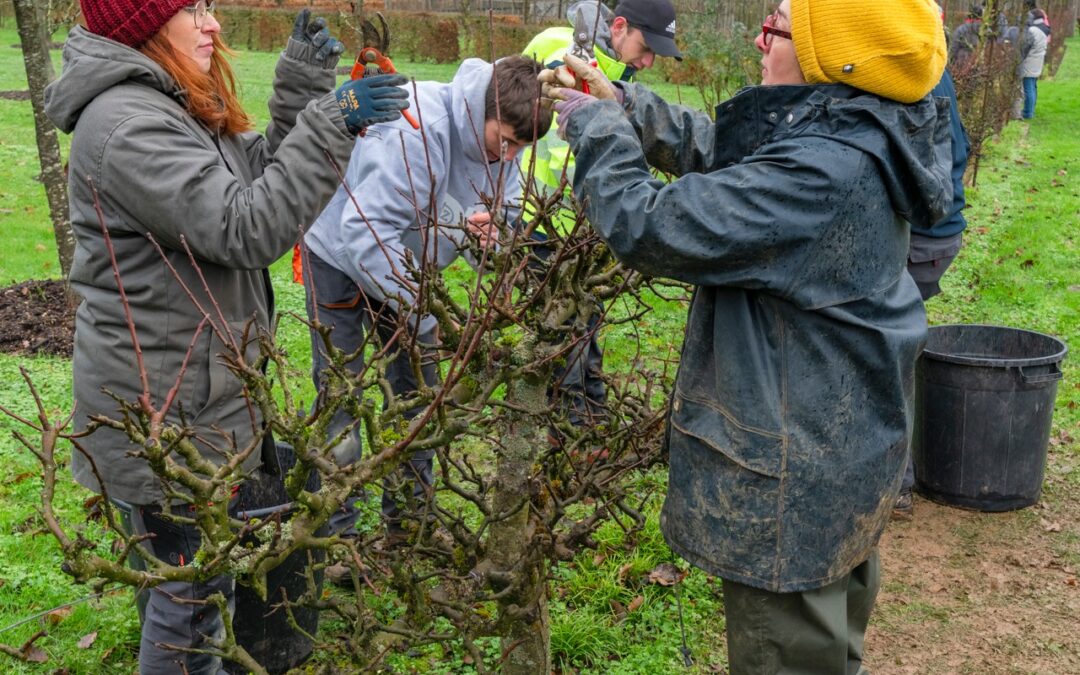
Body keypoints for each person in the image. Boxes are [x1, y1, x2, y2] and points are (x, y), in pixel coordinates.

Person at [543, 0, 950, 669]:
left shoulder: (824, 174)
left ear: (832, 56)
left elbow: (652, 224)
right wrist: (623, 101)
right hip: (840, 455)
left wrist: (597, 128)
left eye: (780, 27)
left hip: (797, 488)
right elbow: (729, 150)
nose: (762, 39)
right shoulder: (861, 127)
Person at [44, 1, 408, 671]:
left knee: (196, 593)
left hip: (196, 396)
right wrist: (336, 118)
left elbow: (262, 173)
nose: (212, 24)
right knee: (189, 607)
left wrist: (302, 84)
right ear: (143, 28)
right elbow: (246, 227)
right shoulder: (129, 126)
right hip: (165, 414)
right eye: (191, 10)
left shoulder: (167, 104)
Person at [302, 55, 552, 549]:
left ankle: (409, 529)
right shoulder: (417, 129)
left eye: (521, 148)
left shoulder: (509, 138)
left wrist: (492, 241)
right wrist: (421, 311)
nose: (511, 156)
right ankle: (336, 539)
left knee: (419, 394)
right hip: (340, 253)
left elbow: (505, 214)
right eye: (506, 142)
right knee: (342, 393)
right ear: (484, 111)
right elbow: (364, 233)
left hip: (408, 267)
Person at [520, 0, 682, 432]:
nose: (648, 62)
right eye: (646, 48)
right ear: (620, 27)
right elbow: (563, 153)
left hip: (586, 220)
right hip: (547, 220)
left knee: (586, 313)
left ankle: (589, 404)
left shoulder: (615, 72)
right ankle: (566, 420)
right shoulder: (567, 57)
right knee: (559, 323)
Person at [895, 66, 970, 520]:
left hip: (922, 239)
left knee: (887, 355)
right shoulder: (922, 58)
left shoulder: (905, 68)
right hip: (932, 235)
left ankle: (896, 484)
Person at [1018, 9, 1048, 119]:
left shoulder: (1032, 31)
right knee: (1033, 86)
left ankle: (1027, 113)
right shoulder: (1040, 31)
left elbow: (1025, 47)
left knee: (1028, 88)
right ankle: (1031, 110)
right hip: (1037, 62)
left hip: (1029, 63)